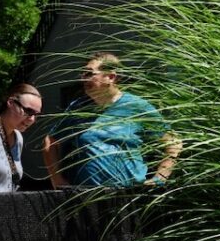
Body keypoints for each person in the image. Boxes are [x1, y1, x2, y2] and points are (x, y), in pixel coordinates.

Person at [44, 53, 181, 187]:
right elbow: (50, 142)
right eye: (83, 74)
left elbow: (173, 143)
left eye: (89, 73)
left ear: (110, 77)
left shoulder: (137, 107)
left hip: (129, 194)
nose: (83, 79)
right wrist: (57, 181)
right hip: (87, 196)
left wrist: (159, 178)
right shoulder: (78, 108)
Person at [0, 83, 42, 192]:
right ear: (10, 103)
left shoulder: (18, 137)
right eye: (28, 111)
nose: (32, 119)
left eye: (36, 115)